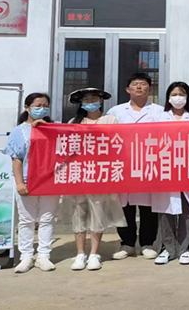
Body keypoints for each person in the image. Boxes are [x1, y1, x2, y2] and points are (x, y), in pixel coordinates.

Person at [67, 88, 127, 271]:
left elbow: (118, 145)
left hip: (101, 174)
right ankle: (80, 253)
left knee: (98, 212)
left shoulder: (110, 120)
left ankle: (94, 253)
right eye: (86, 99)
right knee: (78, 213)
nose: (90, 101)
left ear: (101, 101)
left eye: (94, 98)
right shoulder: (74, 122)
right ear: (81, 102)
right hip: (79, 174)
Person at [107, 73, 163, 261]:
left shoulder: (159, 111)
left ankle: (147, 243)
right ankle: (127, 244)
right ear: (127, 89)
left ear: (150, 88)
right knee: (125, 207)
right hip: (123, 165)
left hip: (149, 164)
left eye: (143, 84)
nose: (139, 87)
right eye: (135, 84)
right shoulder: (116, 111)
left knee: (149, 207)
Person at [3, 92, 60, 273]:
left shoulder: (55, 128)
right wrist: (19, 183)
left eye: (45, 106)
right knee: (26, 220)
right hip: (28, 181)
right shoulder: (19, 131)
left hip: (50, 181)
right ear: (27, 108)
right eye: (37, 106)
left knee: (47, 219)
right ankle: (26, 256)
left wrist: (46, 128)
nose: (42, 109)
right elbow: (17, 159)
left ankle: (44, 255)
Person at [152, 81, 189, 265]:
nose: (178, 98)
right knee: (165, 210)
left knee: (186, 210)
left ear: (188, 97)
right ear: (168, 97)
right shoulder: (158, 117)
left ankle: (186, 248)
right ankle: (167, 248)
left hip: (188, 169)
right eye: (174, 94)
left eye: (181, 94)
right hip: (165, 169)